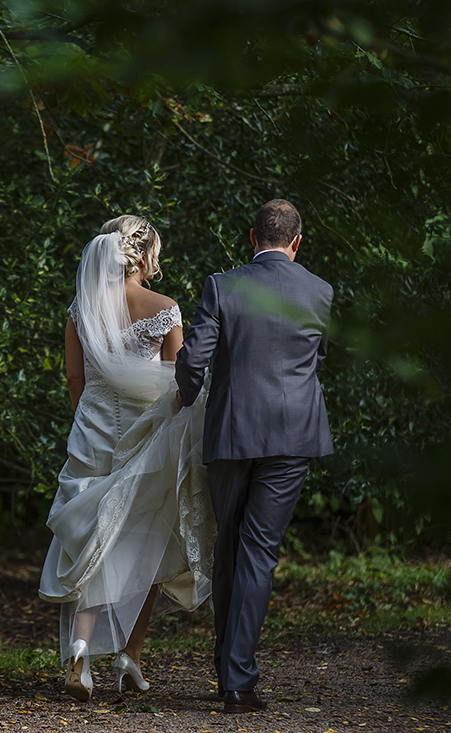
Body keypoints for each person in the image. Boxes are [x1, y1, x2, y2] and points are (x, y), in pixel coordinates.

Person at [39, 216, 213, 702]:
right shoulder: (165, 309)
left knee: (93, 533)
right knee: (150, 538)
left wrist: (87, 422)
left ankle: (83, 649)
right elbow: (182, 387)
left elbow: (76, 382)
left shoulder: (81, 311)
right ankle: (127, 654)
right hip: (148, 433)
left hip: (92, 428)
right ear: (144, 255)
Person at [175, 199, 333, 713]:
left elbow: (194, 360)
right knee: (258, 550)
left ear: (251, 237)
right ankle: (237, 680)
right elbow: (316, 357)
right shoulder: (320, 291)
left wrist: (184, 393)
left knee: (229, 545)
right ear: (297, 241)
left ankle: (231, 672)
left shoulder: (224, 285)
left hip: (232, 432)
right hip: (292, 435)